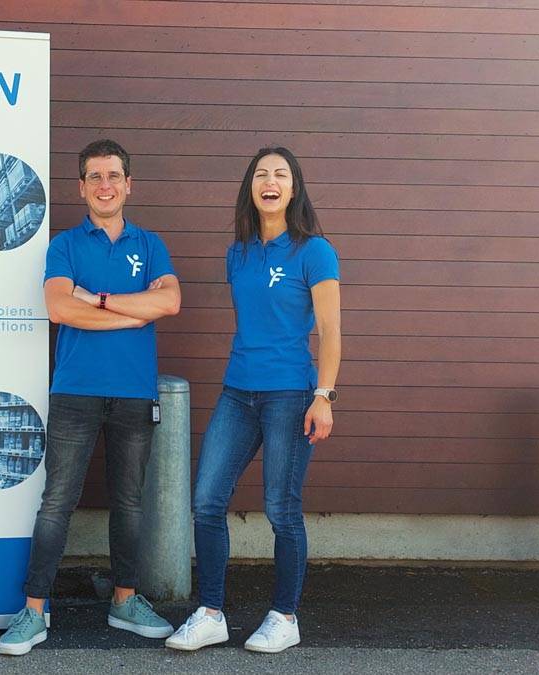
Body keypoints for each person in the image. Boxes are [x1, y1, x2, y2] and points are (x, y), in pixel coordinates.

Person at [0, 139, 182, 656]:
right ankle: (34, 611)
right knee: (57, 502)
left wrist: (96, 299)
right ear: (81, 187)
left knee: (129, 503)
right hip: (75, 392)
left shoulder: (150, 245)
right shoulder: (64, 246)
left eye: (113, 176)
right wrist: (133, 313)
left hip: (133, 393)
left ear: (129, 184)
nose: (105, 185)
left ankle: (125, 601)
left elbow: (170, 301)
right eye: (95, 177)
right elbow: (60, 309)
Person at [164, 146, 341, 654]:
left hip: (291, 394)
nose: (270, 181)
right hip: (238, 392)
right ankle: (210, 614)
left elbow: (330, 331)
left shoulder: (315, 251)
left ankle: (285, 617)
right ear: (251, 187)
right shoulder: (237, 253)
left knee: (281, 508)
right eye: (261, 174)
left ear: (294, 188)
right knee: (206, 501)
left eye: (281, 174)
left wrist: (324, 395)